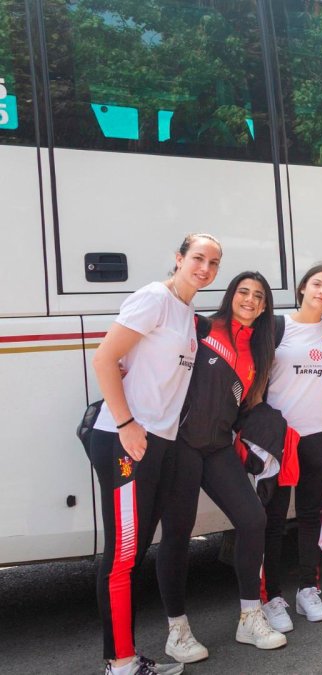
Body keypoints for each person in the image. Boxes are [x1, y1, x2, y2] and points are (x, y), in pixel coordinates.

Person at [89, 232, 221, 675]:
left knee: (134, 553)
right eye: (198, 258)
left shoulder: (186, 311)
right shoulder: (154, 298)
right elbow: (104, 359)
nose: (205, 268)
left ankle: (126, 657)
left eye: (213, 263)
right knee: (123, 556)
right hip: (127, 440)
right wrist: (126, 423)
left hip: (158, 442)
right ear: (178, 258)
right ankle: (121, 663)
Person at [157, 271, 285, 659]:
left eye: (258, 296)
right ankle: (177, 630)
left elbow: (248, 403)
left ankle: (250, 617)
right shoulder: (201, 328)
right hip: (180, 445)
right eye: (243, 292)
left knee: (253, 519)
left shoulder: (260, 350)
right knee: (177, 533)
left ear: (264, 306)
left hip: (217, 447)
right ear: (231, 296)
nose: (250, 299)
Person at [261, 264, 322, 632]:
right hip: (280, 438)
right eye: (317, 284)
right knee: (274, 519)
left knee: (311, 514)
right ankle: (271, 597)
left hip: (318, 435)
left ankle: (308, 588)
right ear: (303, 288)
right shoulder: (276, 326)